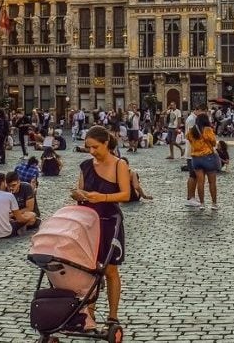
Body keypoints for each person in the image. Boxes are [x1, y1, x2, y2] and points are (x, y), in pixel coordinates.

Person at [71, 126, 131, 325]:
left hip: (109, 221)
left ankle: (113, 315)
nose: (92, 152)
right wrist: (78, 194)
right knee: (89, 268)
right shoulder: (86, 165)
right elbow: (80, 189)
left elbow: (126, 194)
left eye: (95, 147)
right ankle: (89, 313)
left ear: (106, 143)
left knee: (110, 270)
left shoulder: (119, 164)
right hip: (88, 221)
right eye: (88, 148)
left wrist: (102, 197)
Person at [0, 172, 36, 238]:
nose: (11, 188)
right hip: (7, 231)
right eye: (8, 185)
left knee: (30, 215)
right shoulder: (8, 194)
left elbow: (29, 208)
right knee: (32, 217)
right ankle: (21, 228)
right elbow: (19, 219)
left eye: (13, 185)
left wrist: (9, 216)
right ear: (3, 183)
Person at [187, 113, 221, 209]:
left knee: (200, 182)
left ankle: (202, 204)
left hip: (196, 159)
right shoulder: (208, 129)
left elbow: (189, 140)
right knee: (212, 182)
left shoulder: (192, 131)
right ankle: (214, 204)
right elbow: (214, 143)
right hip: (208, 157)